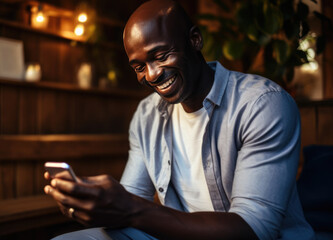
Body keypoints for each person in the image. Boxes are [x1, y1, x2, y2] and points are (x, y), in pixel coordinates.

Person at [44, 0, 315, 239]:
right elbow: (132, 202)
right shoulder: (147, 115)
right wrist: (94, 205)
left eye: (161, 56)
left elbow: (255, 229)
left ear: (195, 40)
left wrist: (129, 208)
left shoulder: (261, 104)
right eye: (139, 66)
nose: (151, 75)